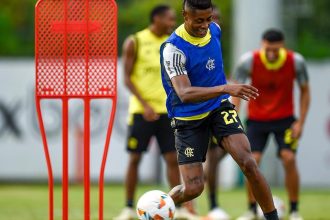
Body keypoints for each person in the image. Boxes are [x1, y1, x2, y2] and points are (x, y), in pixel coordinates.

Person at [160, 0, 279, 219]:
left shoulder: (215, 30)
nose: (205, 25)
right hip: (188, 118)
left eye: (208, 19)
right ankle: (158, 206)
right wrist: (226, 87)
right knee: (194, 188)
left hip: (218, 108)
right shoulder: (173, 49)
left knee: (248, 163)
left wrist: (224, 93)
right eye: (198, 20)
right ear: (185, 15)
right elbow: (184, 93)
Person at [114, 5, 197, 220]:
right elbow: (127, 78)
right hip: (142, 111)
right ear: (157, 19)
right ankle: (129, 207)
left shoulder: (173, 43)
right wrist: (146, 104)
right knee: (135, 158)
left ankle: (177, 208)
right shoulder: (136, 41)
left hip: (168, 112)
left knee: (172, 159)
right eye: (169, 19)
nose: (172, 23)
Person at [233, 29, 310, 220]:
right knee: (251, 162)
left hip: (285, 120)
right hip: (257, 121)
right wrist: (234, 117)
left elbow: (305, 92)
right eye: (269, 49)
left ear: (282, 47)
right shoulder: (248, 61)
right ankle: (251, 210)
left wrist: (300, 122)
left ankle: (294, 210)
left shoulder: (296, 61)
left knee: (289, 158)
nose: (272, 53)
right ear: (262, 45)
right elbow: (236, 90)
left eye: (276, 49)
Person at [203, 5, 230, 220]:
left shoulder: (216, 37)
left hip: (218, 104)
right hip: (200, 107)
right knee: (210, 157)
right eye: (212, 18)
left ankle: (203, 180)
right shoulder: (189, 41)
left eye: (217, 19)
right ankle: (212, 204)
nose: (215, 22)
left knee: (235, 148)